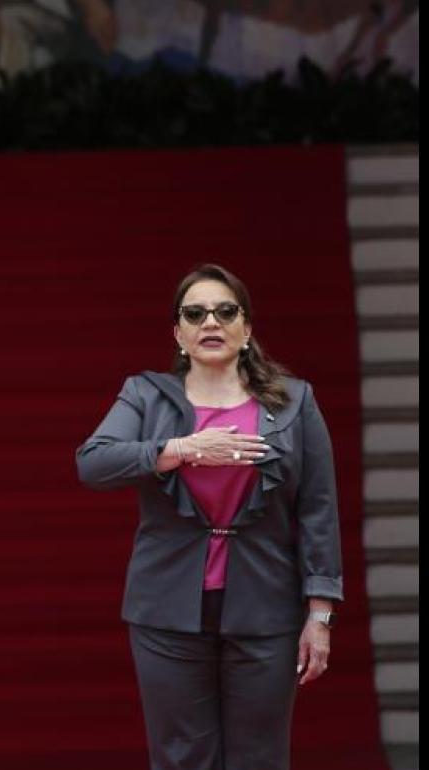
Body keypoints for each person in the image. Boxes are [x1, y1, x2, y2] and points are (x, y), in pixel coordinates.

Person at [76, 263, 343, 769]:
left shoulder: (293, 401)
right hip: (167, 605)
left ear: (247, 329)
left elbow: (319, 510)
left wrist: (320, 614)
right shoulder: (146, 395)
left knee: (259, 757)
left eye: (225, 311)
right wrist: (182, 448)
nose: (210, 323)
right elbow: (92, 462)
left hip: (266, 605)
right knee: (182, 756)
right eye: (195, 313)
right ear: (178, 333)